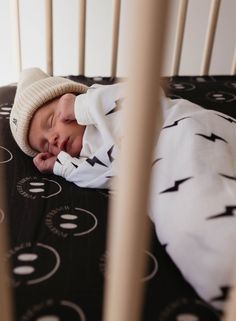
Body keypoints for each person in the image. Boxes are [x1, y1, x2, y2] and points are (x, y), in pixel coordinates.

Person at [10, 67, 125, 188]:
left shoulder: (97, 100)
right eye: (46, 146)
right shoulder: (85, 162)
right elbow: (107, 178)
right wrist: (61, 166)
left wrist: (81, 106)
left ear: (72, 96)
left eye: (51, 122)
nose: (51, 140)